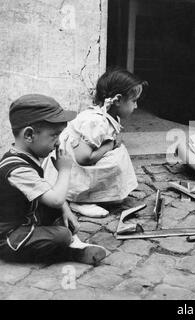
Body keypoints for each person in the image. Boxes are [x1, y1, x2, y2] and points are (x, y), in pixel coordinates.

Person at [0, 94, 106, 265]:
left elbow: (47, 192)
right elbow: (56, 199)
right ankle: (70, 252)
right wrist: (64, 170)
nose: (58, 143)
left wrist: (65, 209)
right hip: (9, 237)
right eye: (54, 135)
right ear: (29, 135)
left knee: (59, 211)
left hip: (27, 219)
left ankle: (73, 243)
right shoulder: (17, 169)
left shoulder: (28, 157)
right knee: (61, 235)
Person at [44, 68, 148, 217]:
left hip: (75, 166)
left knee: (118, 153)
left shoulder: (107, 116)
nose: (136, 106)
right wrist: (109, 146)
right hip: (69, 168)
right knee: (116, 157)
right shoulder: (96, 121)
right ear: (117, 100)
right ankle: (78, 199)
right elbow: (83, 158)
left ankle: (98, 194)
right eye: (134, 101)